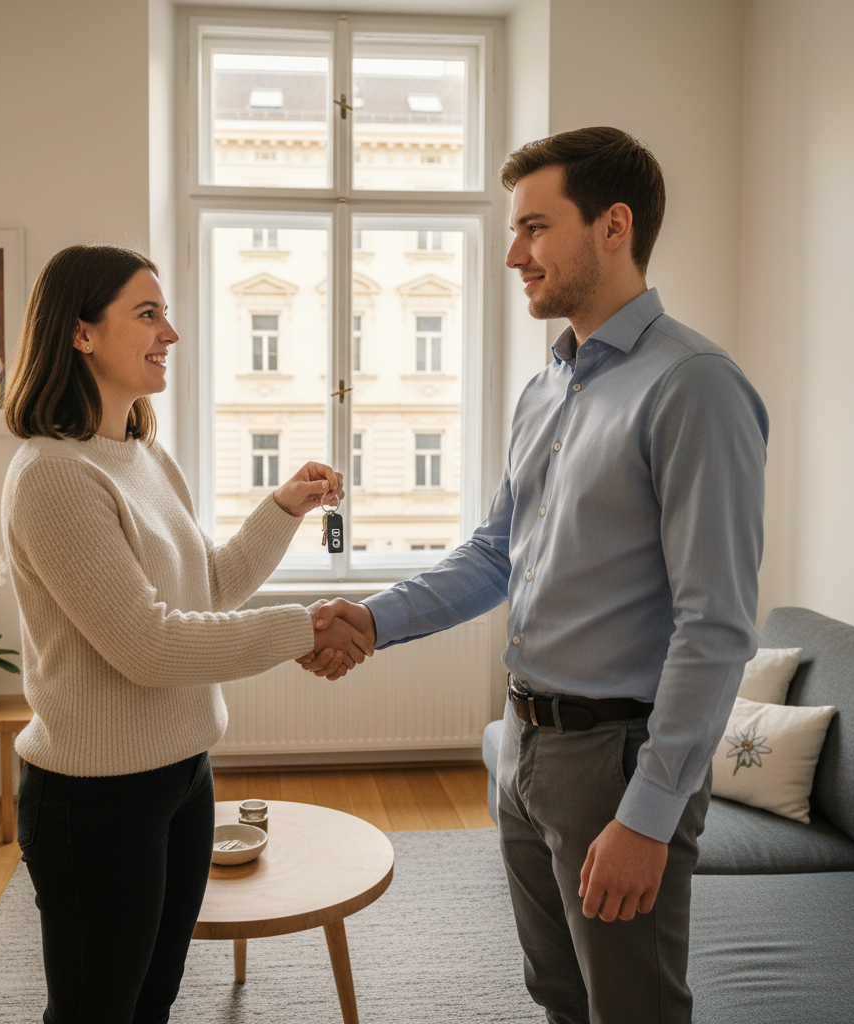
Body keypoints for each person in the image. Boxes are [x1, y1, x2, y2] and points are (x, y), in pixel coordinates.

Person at [301, 127, 769, 1023]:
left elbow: (715, 626)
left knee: (631, 1006)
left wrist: (648, 813)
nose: (513, 254)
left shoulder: (694, 386)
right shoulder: (546, 387)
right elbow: (495, 554)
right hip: (524, 745)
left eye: (534, 227)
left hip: (617, 759)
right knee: (555, 991)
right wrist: (371, 619)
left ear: (613, 227)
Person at [1, 243, 371, 1024]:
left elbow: (208, 586)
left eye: (165, 313)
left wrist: (283, 510)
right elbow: (150, 645)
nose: (170, 332)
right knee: (97, 1011)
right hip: (94, 800)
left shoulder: (141, 453)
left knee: (154, 1001)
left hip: (181, 776)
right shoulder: (52, 474)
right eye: (147, 313)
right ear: (80, 334)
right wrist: (301, 628)